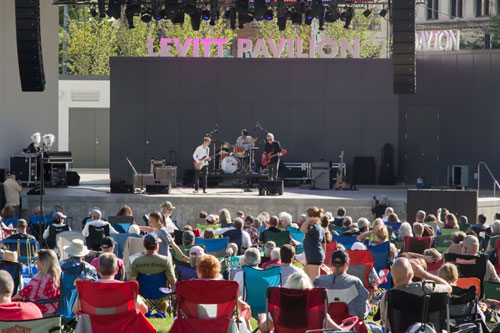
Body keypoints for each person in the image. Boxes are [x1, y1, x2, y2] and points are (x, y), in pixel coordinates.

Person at [379, 257, 452, 330]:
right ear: (411, 275)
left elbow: (388, 325)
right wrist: (423, 274)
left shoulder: (388, 298)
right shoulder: (426, 289)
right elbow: (448, 288)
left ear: (392, 275)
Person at [259, 271, 343, 332]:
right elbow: (338, 330)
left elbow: (265, 328)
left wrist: (262, 318)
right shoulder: (318, 312)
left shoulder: (278, 310)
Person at [314, 250, 370, 319]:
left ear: (331, 263)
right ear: (346, 264)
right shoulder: (354, 282)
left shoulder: (319, 281)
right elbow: (361, 312)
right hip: (347, 325)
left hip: (323, 322)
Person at [128, 234, 176, 313]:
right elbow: (172, 280)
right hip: (161, 292)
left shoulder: (137, 261)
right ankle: (162, 308)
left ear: (144, 245)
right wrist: (174, 295)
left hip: (144, 292)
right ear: (157, 245)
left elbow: (131, 281)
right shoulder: (166, 261)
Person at [14, 249, 61, 315]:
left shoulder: (39, 280)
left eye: (38, 260)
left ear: (43, 262)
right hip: (53, 310)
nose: (36, 262)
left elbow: (21, 295)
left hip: (37, 310)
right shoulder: (57, 276)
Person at [301, 207, 326, 281]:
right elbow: (323, 243)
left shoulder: (314, 227)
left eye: (307, 216)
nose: (305, 218)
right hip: (313, 256)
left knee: (314, 281)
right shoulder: (320, 227)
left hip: (313, 257)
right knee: (305, 279)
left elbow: (302, 229)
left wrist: (308, 220)